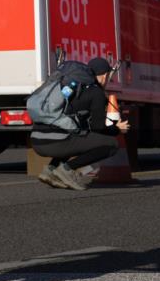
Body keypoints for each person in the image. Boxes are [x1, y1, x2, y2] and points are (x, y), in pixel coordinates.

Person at [31, 58, 130, 191]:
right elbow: (98, 127)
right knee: (111, 144)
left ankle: (51, 170)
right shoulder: (96, 92)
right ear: (105, 75)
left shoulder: (73, 87)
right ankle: (67, 169)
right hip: (54, 143)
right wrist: (117, 129)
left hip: (37, 141)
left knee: (75, 133)